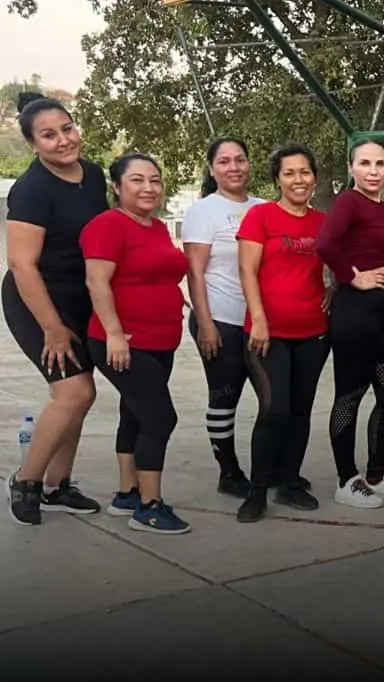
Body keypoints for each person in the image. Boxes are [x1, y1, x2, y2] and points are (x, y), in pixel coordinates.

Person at [3, 92, 109, 526]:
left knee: (80, 396)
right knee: (75, 392)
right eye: (49, 135)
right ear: (33, 144)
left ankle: (56, 485)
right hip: (37, 301)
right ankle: (26, 480)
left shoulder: (95, 175)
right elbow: (21, 264)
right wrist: (52, 327)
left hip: (79, 298)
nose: (64, 140)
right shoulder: (31, 191)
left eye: (67, 128)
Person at [81, 153, 190, 535]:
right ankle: (149, 506)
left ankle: (127, 492)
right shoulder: (107, 225)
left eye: (155, 180)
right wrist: (113, 332)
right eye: (138, 180)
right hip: (123, 341)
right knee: (160, 418)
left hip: (161, 338)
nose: (149, 188)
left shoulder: (157, 228)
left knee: (136, 413)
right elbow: (97, 282)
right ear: (116, 186)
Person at [315, 139, 384, 509]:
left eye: (380, 163)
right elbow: (326, 243)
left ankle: (377, 472)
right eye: (365, 163)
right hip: (353, 314)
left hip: (381, 314)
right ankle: (347, 479)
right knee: (350, 396)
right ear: (351, 167)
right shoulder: (348, 202)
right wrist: (352, 276)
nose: (373, 171)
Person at [234, 144, 332, 523]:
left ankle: (289, 480)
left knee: (300, 411)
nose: (298, 180)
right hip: (266, 333)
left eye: (305, 172)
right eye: (289, 173)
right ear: (277, 178)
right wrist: (258, 318)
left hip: (313, 331)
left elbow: (340, 263)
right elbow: (247, 271)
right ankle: (258, 490)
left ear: (315, 178)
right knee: (274, 410)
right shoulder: (260, 217)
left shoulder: (322, 222)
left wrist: (334, 289)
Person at [181, 137, 266, 499]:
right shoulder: (203, 211)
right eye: (224, 161)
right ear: (212, 168)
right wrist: (206, 323)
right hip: (220, 319)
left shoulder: (264, 207)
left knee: (275, 400)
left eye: (240, 159)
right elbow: (195, 273)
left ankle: (275, 468)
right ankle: (228, 471)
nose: (234, 167)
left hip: (259, 322)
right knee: (225, 396)